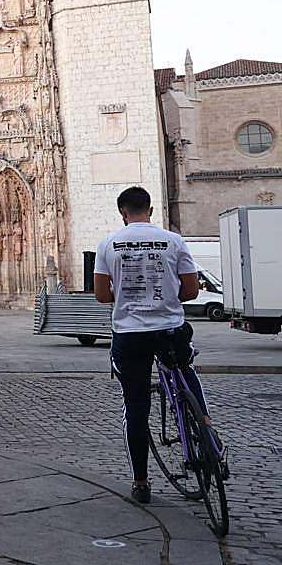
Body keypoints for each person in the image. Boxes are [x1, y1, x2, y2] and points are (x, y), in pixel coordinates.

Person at [94, 186, 215, 505]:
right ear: (150, 209)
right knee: (186, 371)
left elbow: (102, 296)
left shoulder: (108, 243)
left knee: (135, 406)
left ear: (123, 212)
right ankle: (206, 428)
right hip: (169, 329)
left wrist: (129, 297)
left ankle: (141, 482)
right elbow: (191, 292)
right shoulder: (174, 241)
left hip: (130, 333)